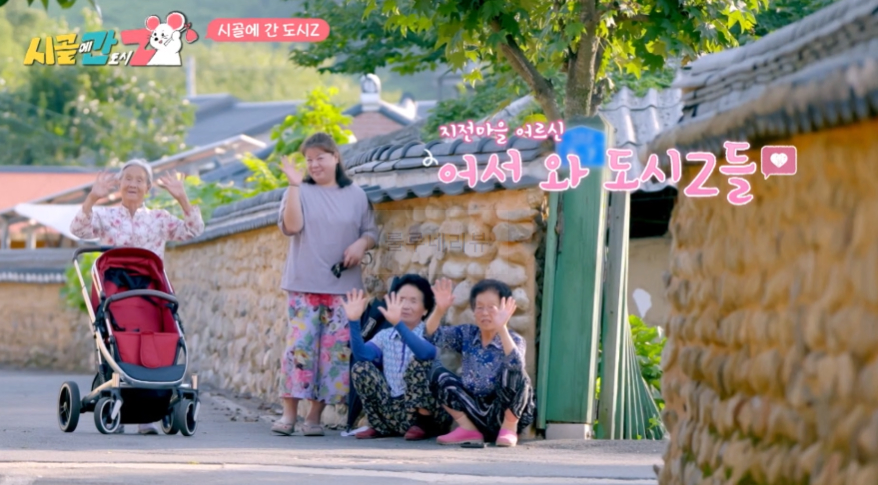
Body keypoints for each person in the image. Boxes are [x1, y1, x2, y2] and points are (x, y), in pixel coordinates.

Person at [70, 158, 204, 434]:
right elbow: (78, 229)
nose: (133, 184)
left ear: (148, 188)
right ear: (119, 184)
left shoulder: (159, 219)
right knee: (116, 340)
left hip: (150, 294)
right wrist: (93, 198)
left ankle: (148, 414)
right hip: (114, 292)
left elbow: (193, 230)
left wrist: (182, 198)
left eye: (139, 180)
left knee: (154, 340)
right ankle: (119, 404)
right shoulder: (106, 216)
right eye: (127, 178)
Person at [272, 132, 378, 437]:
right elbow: (292, 226)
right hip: (304, 284)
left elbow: (371, 231)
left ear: (335, 157)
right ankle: (289, 414)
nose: (314, 164)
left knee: (332, 354)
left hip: (343, 287)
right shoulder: (299, 190)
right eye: (309, 159)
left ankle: (314, 417)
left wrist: (361, 244)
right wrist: (294, 185)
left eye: (320, 157)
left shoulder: (357, 195)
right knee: (299, 349)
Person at [425, 278, 536, 447]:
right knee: (437, 373)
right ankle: (468, 430)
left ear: (505, 309)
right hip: (475, 411)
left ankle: (509, 429)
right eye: (479, 307)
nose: (485, 312)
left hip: (504, 413)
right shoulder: (467, 334)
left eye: (492, 307)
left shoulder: (514, 340)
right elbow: (432, 335)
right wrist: (439, 310)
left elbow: (517, 367)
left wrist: (502, 328)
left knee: (516, 370)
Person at [343, 275, 452, 441]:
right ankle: (379, 425)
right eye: (401, 300)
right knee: (360, 368)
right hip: (395, 412)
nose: (406, 306)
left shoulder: (431, 330)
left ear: (425, 310)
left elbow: (425, 354)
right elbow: (362, 356)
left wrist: (398, 324)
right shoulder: (385, 335)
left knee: (421, 362)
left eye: (413, 301)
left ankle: (422, 423)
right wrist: (354, 321)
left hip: (427, 415)